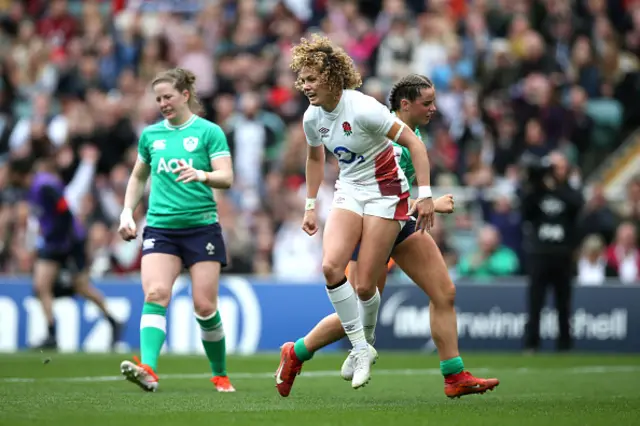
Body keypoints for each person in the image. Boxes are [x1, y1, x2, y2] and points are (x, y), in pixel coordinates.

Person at [275, 74, 499, 398]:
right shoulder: (386, 136)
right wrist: (431, 202)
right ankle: (296, 352)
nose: (434, 108)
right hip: (373, 221)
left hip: (398, 220)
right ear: (405, 105)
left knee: (443, 292)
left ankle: (454, 375)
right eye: (427, 103)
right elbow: (381, 195)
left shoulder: (409, 134)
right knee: (359, 303)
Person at [284, 35, 435, 390]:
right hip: (349, 191)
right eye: (302, 79)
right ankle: (361, 347)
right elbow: (314, 157)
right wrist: (309, 205)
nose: (305, 86)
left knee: (365, 286)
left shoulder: (364, 108)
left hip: (386, 192)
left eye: (311, 79)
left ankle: (362, 344)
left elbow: (414, 143)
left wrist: (426, 195)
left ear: (333, 76)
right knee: (330, 267)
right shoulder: (312, 118)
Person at [117, 68, 235, 393]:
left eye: (167, 96)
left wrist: (202, 175)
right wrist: (128, 211)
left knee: (205, 306)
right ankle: (149, 370)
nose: (162, 104)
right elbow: (139, 177)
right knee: (156, 294)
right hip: (161, 228)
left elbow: (226, 176)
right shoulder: (151, 136)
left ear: (185, 94)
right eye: (157, 99)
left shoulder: (209, 132)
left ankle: (220, 373)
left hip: (201, 228)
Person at [8, 156, 123, 350]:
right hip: (56, 242)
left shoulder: (43, 186)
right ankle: (52, 333)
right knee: (41, 285)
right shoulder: (35, 188)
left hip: (67, 242)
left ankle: (112, 320)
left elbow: (64, 209)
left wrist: (65, 240)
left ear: (18, 174)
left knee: (80, 287)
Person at [521, 151, 584, 352]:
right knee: (535, 301)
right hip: (540, 253)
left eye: (560, 167)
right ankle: (532, 344)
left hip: (563, 254)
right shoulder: (538, 192)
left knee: (563, 303)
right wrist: (538, 182)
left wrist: (557, 186)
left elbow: (577, 206)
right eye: (553, 167)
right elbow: (525, 210)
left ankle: (565, 344)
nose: (556, 171)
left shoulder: (570, 191)